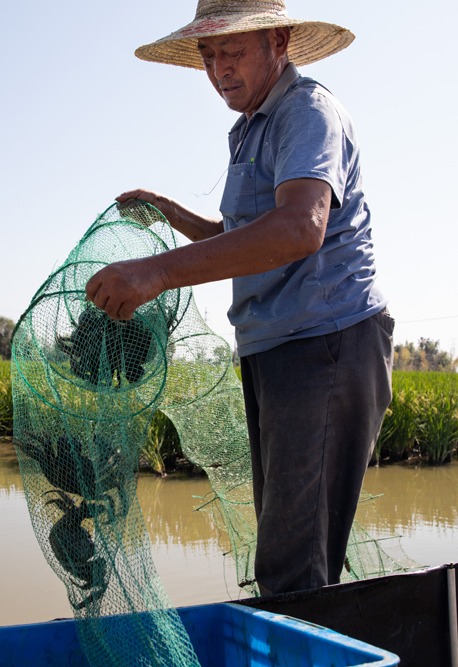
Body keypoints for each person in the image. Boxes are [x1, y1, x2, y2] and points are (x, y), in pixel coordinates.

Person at [85, 0, 393, 596]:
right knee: (288, 540)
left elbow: (299, 228)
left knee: (293, 563)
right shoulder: (252, 126)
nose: (219, 69)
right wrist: (170, 213)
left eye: (233, 51)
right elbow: (244, 236)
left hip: (327, 345)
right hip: (276, 349)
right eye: (208, 55)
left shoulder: (306, 112)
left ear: (279, 41)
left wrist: (154, 273)